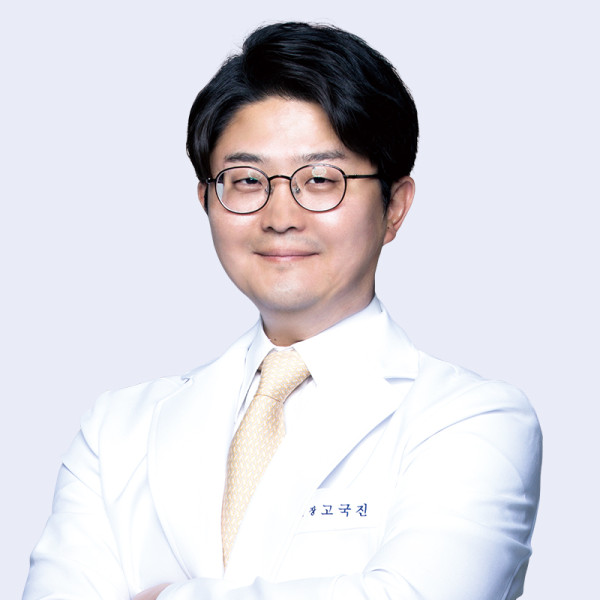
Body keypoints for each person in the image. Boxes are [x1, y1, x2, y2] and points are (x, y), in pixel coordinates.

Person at [23, 21, 542, 600]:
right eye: (247, 180)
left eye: (320, 179)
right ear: (207, 200)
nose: (280, 216)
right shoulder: (117, 429)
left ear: (395, 206)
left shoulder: (472, 419)